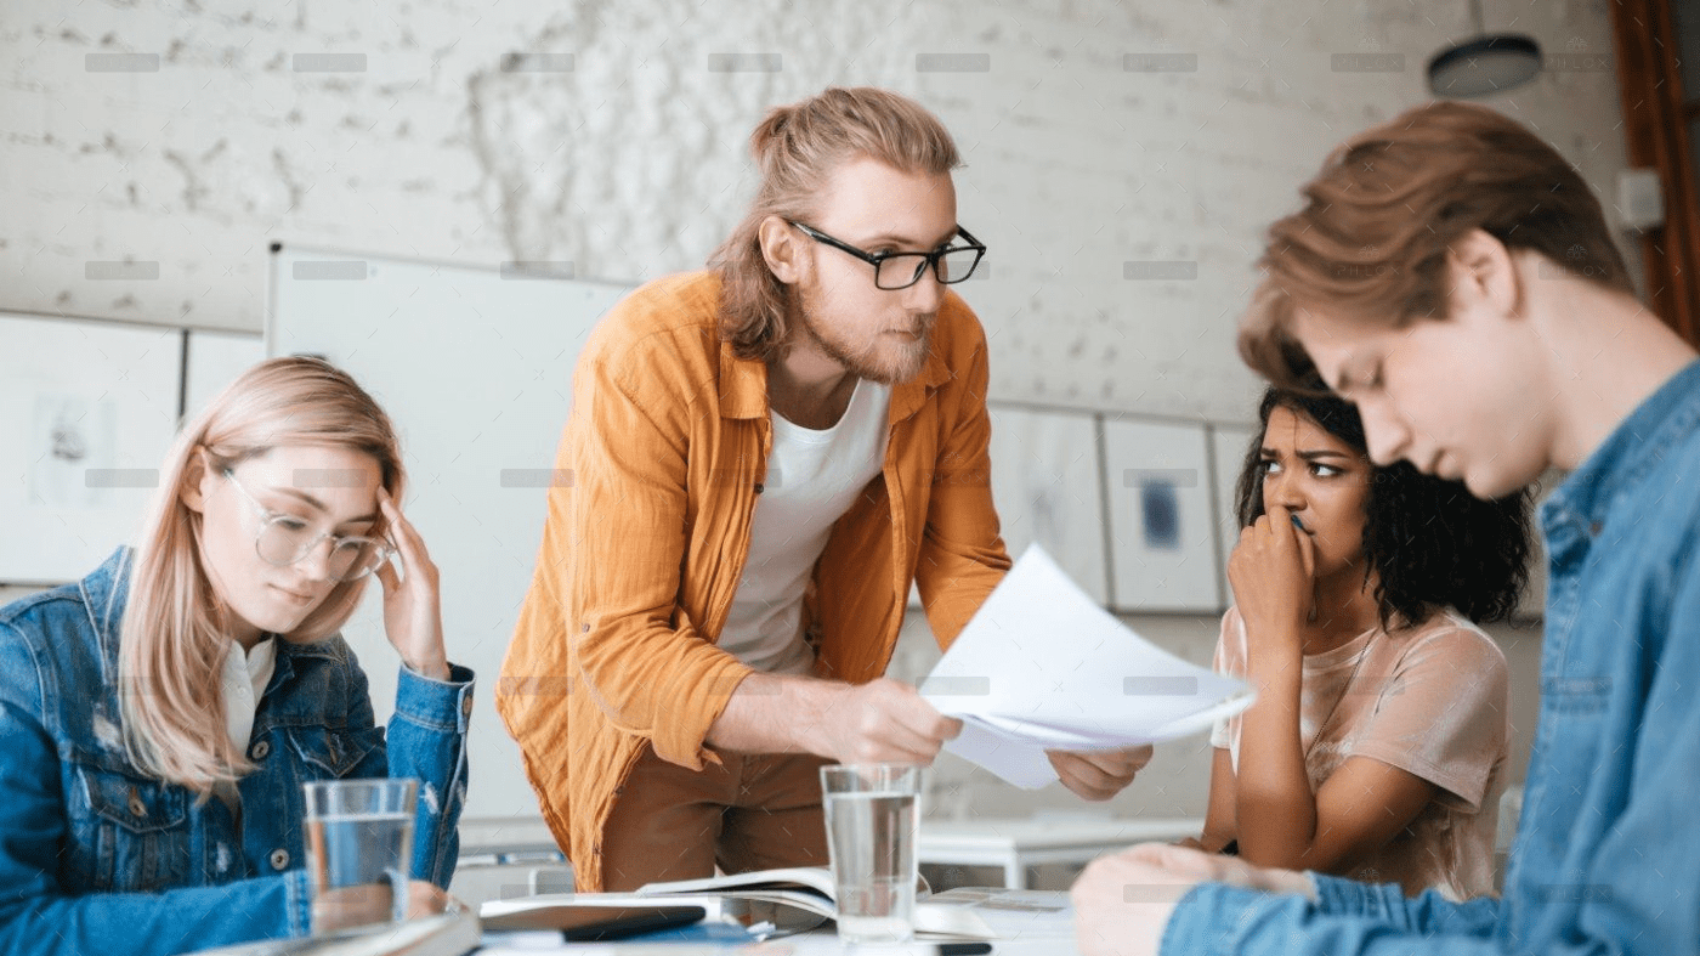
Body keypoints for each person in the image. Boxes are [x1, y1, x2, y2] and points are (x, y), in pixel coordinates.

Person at [1072, 100, 1700, 956]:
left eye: (1375, 377)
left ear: (1481, 272)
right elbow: (1547, 936)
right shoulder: (1623, 527)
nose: (1392, 438)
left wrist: (1214, 931)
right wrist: (1256, 893)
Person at [497, 86, 1151, 893]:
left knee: (866, 932)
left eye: (940, 253)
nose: (925, 296)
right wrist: (835, 714)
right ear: (784, 251)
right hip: (651, 724)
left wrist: (1053, 710)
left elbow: (963, 567)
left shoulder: (950, 344)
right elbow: (622, 648)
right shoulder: (652, 351)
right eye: (886, 257)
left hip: (803, 707)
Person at [0, 357, 473, 956]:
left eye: (350, 540)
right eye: (290, 520)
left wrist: (426, 670)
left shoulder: (328, 675)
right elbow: (14, 931)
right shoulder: (30, 658)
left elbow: (399, 899)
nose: (316, 570)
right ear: (200, 480)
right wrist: (303, 910)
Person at [1188, 385, 1530, 900]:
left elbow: (1284, 869)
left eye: (1322, 468)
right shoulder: (1245, 627)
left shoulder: (1457, 659)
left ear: (1401, 492)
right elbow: (1226, 841)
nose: (1284, 496)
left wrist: (1275, 640)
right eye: (1272, 465)